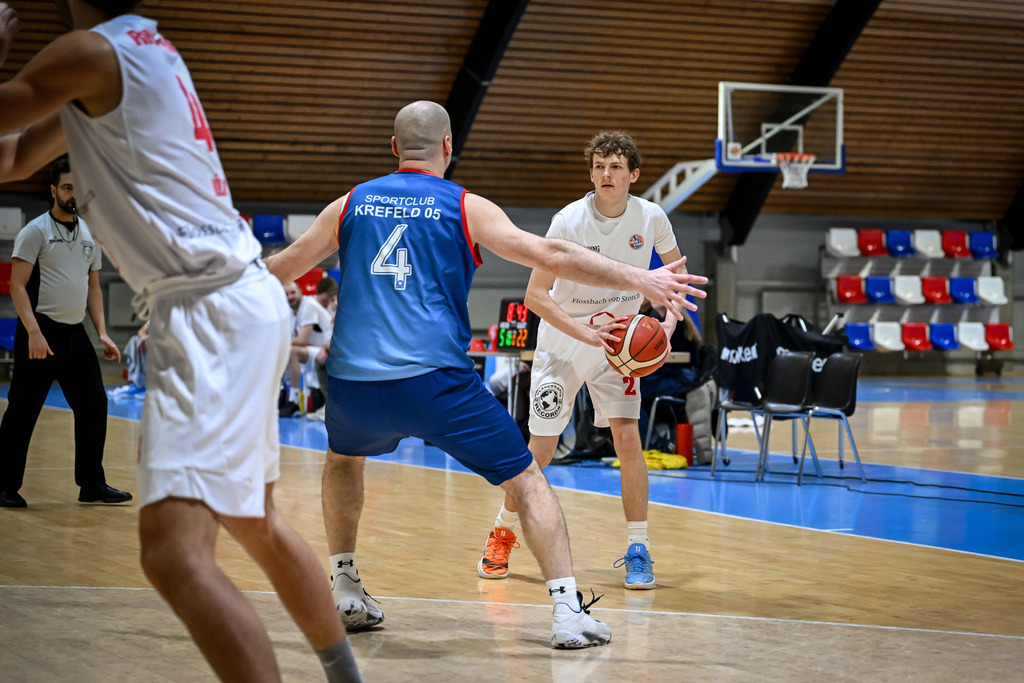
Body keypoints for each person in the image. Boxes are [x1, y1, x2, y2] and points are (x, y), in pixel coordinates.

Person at [0, 3, 360, 680]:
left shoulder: (90, 53)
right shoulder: (145, 51)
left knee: (172, 552)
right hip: (238, 298)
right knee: (254, 520)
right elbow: (15, 154)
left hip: (205, 310)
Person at [264, 100, 707, 648]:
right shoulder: (464, 204)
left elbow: (278, 270)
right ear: (448, 147)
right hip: (437, 381)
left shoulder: (348, 203)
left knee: (342, 461)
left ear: (394, 147)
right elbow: (547, 253)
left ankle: (346, 585)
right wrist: (639, 280)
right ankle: (568, 611)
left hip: (354, 382)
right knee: (527, 478)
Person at [476, 131, 687, 591]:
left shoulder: (651, 217)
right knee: (541, 450)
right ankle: (502, 533)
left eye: (615, 166)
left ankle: (638, 546)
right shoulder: (568, 220)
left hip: (620, 346)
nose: (605, 174)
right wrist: (585, 332)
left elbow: (678, 284)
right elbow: (535, 296)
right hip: (564, 341)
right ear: (590, 173)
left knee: (628, 440)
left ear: (633, 174)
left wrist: (666, 331)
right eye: (598, 166)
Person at [0, 155, 130, 508]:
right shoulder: (34, 232)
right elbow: (17, 287)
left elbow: (94, 288)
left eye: (79, 188)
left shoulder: (90, 234)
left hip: (75, 334)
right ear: (54, 190)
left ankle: (91, 484)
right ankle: (3, 485)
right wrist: (33, 332)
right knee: (23, 411)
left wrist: (102, 331)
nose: (74, 194)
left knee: (94, 404)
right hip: (39, 332)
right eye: (68, 187)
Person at [280, 279, 333, 417]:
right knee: (282, 352)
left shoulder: (308, 305)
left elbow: (301, 340)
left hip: (328, 349)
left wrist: (279, 341)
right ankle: (282, 395)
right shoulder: (291, 311)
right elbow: (296, 339)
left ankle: (295, 400)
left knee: (291, 352)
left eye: (293, 293)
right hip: (316, 349)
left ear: (301, 293)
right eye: (286, 294)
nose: (290, 297)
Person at [108, 319, 149, 399]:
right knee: (135, 340)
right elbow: (142, 331)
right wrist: (146, 338)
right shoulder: (157, 316)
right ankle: (137, 383)